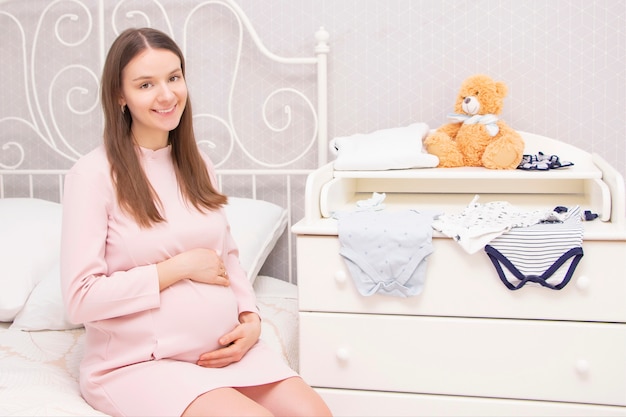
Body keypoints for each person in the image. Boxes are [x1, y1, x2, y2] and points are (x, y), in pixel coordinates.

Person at [60, 27, 332, 417]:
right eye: (145, 84)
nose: (167, 95)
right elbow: (80, 299)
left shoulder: (197, 163)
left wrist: (250, 318)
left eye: (174, 77)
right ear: (120, 95)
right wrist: (177, 268)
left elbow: (229, 256)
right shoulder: (92, 176)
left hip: (221, 354)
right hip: (141, 364)